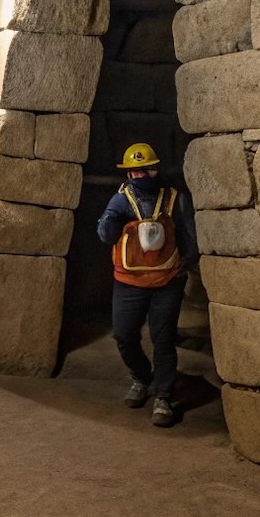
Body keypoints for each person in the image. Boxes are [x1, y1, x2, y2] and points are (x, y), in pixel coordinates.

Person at [97, 142, 199, 428]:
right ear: (127, 174)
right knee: (124, 334)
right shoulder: (121, 200)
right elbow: (105, 235)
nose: (139, 176)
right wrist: (111, 220)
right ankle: (142, 377)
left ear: (155, 170)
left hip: (166, 281)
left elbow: (189, 235)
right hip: (128, 282)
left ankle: (163, 395)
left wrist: (186, 266)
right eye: (134, 172)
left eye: (144, 170)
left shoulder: (174, 198)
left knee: (163, 339)